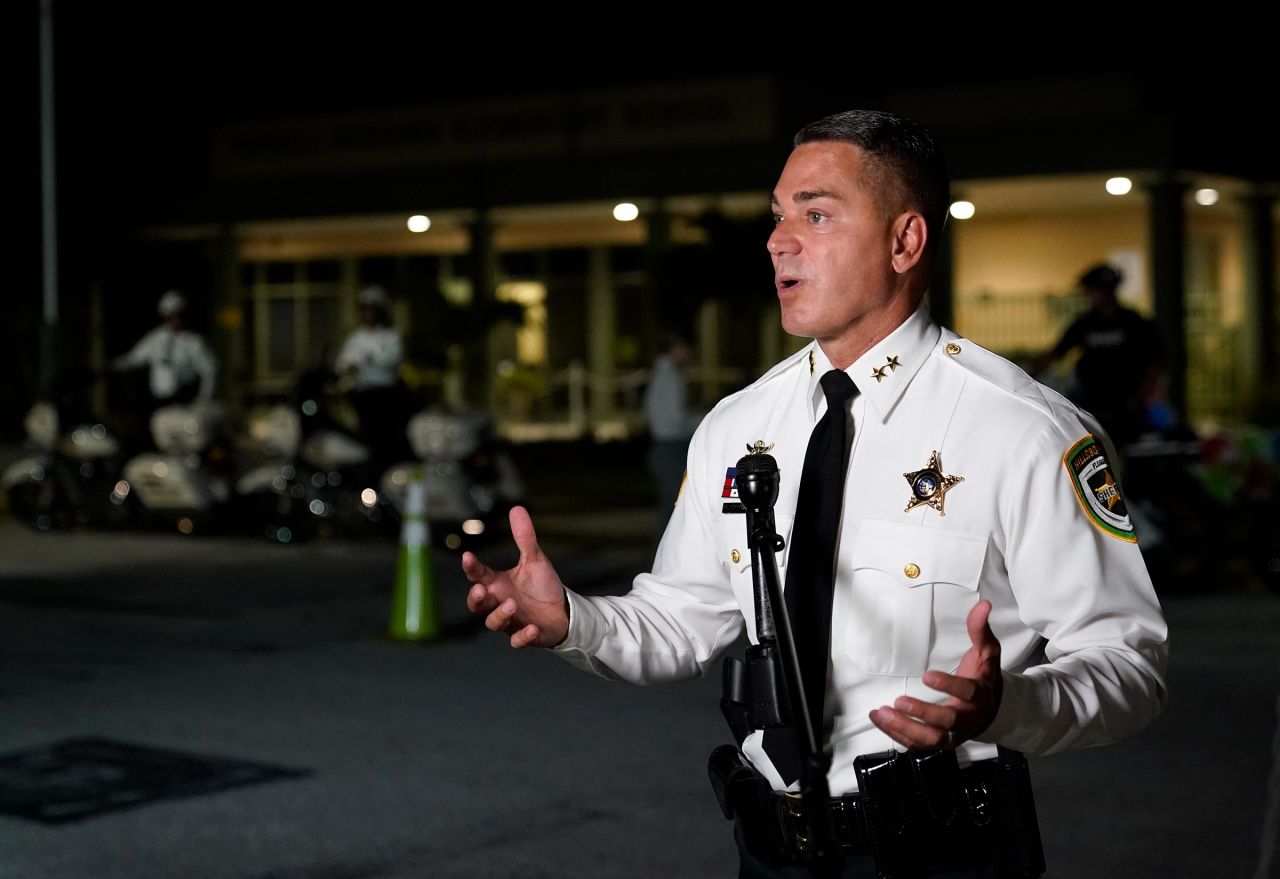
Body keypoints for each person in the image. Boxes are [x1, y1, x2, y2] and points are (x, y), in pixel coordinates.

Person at [463, 110, 1167, 877]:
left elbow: (1128, 664)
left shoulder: (1021, 430)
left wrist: (1008, 706)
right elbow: (680, 618)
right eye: (778, 215)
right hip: (772, 851)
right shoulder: (737, 426)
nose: (778, 239)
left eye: (818, 213)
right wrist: (572, 617)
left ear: (905, 240)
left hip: (942, 851)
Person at [1039, 264, 1166, 448]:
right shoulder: (1085, 324)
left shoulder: (1133, 322)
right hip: (1093, 404)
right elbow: (1057, 353)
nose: (1088, 296)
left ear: (1106, 291)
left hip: (1129, 405)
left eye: (1092, 291)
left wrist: (1149, 392)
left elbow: (1157, 360)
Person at [334, 284, 410, 467]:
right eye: (364, 310)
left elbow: (391, 359)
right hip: (364, 396)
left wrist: (365, 361)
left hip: (388, 396)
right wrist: (352, 366)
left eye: (372, 310)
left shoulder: (391, 337)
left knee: (391, 440)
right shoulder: (356, 338)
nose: (367, 315)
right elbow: (343, 364)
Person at [112, 289, 218, 419]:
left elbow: (209, 370)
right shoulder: (155, 338)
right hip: (158, 401)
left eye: (178, 315)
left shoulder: (194, 341)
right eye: (170, 315)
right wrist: (111, 365)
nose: (175, 319)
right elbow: (134, 359)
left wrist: (203, 400)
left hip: (183, 402)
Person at [643, 332, 697, 542]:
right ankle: (665, 563)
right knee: (674, 510)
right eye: (687, 349)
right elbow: (675, 419)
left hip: (662, 447)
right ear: (675, 346)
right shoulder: (670, 376)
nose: (690, 354)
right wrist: (705, 419)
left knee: (671, 508)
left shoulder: (660, 373)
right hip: (670, 447)